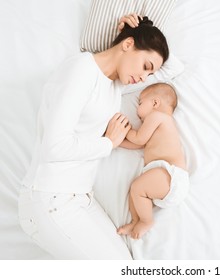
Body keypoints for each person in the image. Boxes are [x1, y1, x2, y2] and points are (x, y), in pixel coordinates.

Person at [17, 14, 169, 259]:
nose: (143, 78)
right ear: (128, 45)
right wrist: (108, 143)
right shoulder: (82, 70)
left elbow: (170, 73)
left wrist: (129, 31)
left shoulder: (114, 84)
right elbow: (54, 148)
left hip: (79, 199)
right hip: (50, 200)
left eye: (148, 75)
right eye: (145, 67)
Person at [117, 83, 189, 240]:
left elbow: (139, 138)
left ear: (155, 103)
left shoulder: (158, 117)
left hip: (171, 175)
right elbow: (139, 144)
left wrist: (125, 129)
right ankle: (136, 221)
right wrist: (115, 142)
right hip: (163, 178)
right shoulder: (156, 122)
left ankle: (146, 221)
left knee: (137, 188)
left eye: (140, 103)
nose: (137, 112)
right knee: (135, 191)